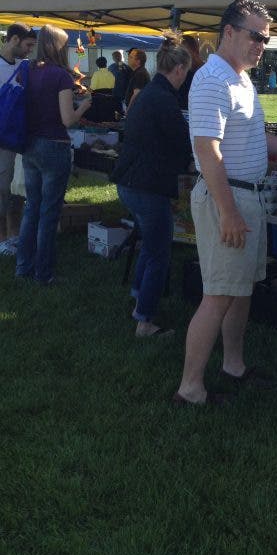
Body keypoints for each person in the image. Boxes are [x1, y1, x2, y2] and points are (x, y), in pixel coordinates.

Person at [175, 0, 277, 406]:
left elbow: (253, 141)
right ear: (230, 32)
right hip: (229, 198)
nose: (261, 45)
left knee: (240, 291)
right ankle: (189, 389)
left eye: (266, 39)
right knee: (218, 294)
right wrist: (229, 211)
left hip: (245, 196)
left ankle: (233, 366)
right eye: (256, 36)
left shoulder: (241, 79)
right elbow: (207, 151)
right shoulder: (212, 80)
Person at [111, 34, 192, 337]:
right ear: (180, 70)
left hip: (131, 181)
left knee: (149, 242)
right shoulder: (164, 99)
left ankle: (138, 295)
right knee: (160, 252)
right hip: (146, 185)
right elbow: (181, 142)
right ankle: (145, 320)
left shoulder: (148, 92)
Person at [16, 25, 92, 285]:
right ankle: (44, 274)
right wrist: (84, 106)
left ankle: (23, 266)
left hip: (29, 144)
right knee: (49, 213)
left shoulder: (28, 70)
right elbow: (67, 119)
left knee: (31, 209)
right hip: (54, 146)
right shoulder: (60, 76)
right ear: (58, 47)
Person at [0, 23, 37, 255]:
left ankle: (14, 236)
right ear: (14, 40)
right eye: (28, 45)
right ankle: (2, 238)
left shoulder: (26, 67)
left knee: (16, 191)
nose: (30, 51)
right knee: (1, 190)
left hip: (20, 140)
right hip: (2, 141)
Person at [177, 34, 204, 111]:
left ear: (196, 51)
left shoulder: (205, 74)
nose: (183, 59)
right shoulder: (183, 74)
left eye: (185, 54)